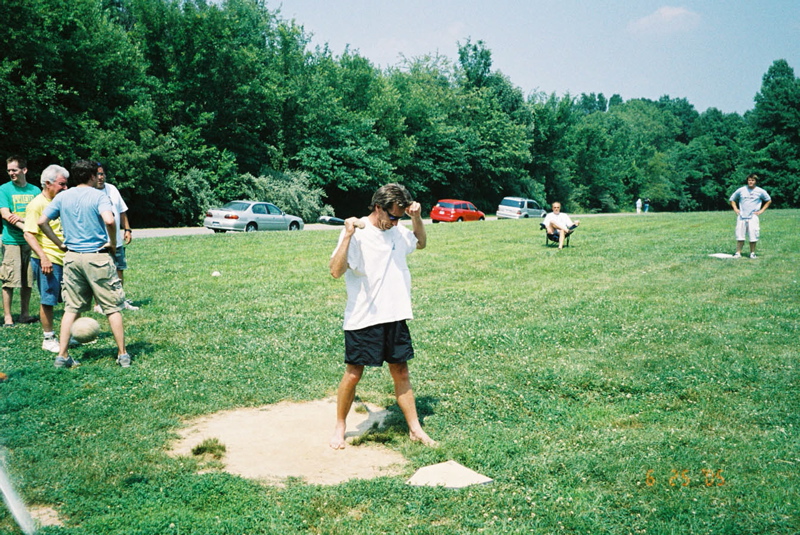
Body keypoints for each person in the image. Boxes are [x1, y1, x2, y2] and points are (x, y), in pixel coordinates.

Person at [328, 183, 435, 450]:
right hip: (364, 316)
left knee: (400, 370)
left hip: (395, 313)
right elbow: (335, 271)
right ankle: (340, 426)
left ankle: (415, 429)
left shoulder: (398, 230)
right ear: (378, 208)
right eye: (393, 216)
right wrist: (348, 236)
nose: (397, 222)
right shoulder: (358, 231)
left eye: (401, 216)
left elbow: (420, 243)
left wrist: (416, 218)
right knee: (354, 373)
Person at [38, 159, 131, 368]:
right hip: (97, 257)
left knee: (71, 308)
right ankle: (122, 354)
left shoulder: (63, 197)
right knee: (113, 307)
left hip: (71, 257)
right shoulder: (99, 196)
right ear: (91, 176)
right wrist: (112, 242)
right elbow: (109, 220)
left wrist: (59, 243)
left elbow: (41, 221)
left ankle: (62, 356)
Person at [23, 165, 69, 352]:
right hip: (48, 260)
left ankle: (68, 335)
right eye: (62, 184)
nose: (65, 188)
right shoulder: (36, 204)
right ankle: (48, 338)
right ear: (48, 184)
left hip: (65, 258)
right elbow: (29, 234)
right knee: (48, 300)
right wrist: (44, 258)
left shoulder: (60, 201)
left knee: (70, 300)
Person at [1, 156, 41, 326]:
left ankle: (25, 314)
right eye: (9, 170)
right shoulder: (4, 189)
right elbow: (5, 214)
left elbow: (40, 216)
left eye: (14, 170)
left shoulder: (35, 191)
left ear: (24, 170)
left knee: (27, 279)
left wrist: (24, 221)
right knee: (8, 280)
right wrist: (28, 225)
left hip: (30, 241)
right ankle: (8, 317)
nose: (11, 173)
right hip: (12, 241)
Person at [93, 163, 138, 311]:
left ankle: (120, 300)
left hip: (116, 240)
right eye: (97, 174)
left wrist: (127, 229)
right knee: (100, 274)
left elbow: (122, 211)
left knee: (119, 270)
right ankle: (99, 304)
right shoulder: (89, 192)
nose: (100, 177)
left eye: (102, 174)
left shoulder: (112, 189)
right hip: (99, 242)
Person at [730, 173, 771, 259]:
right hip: (741, 216)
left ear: (755, 181)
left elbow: (768, 200)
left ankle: (752, 253)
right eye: (749, 180)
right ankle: (738, 253)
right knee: (740, 235)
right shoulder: (741, 190)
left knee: (753, 235)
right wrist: (736, 209)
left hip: (753, 216)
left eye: (752, 180)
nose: (750, 182)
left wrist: (761, 211)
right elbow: (732, 199)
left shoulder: (760, 191)